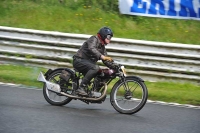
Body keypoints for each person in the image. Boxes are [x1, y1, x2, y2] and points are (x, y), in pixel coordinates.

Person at [73, 27, 118, 96]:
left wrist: (115, 66)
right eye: (108, 37)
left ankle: (95, 91)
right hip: (79, 60)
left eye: (110, 38)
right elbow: (92, 48)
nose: (109, 40)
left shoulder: (102, 48)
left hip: (88, 64)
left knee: (102, 73)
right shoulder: (94, 39)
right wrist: (102, 56)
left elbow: (106, 60)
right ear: (103, 35)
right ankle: (81, 88)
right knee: (95, 68)